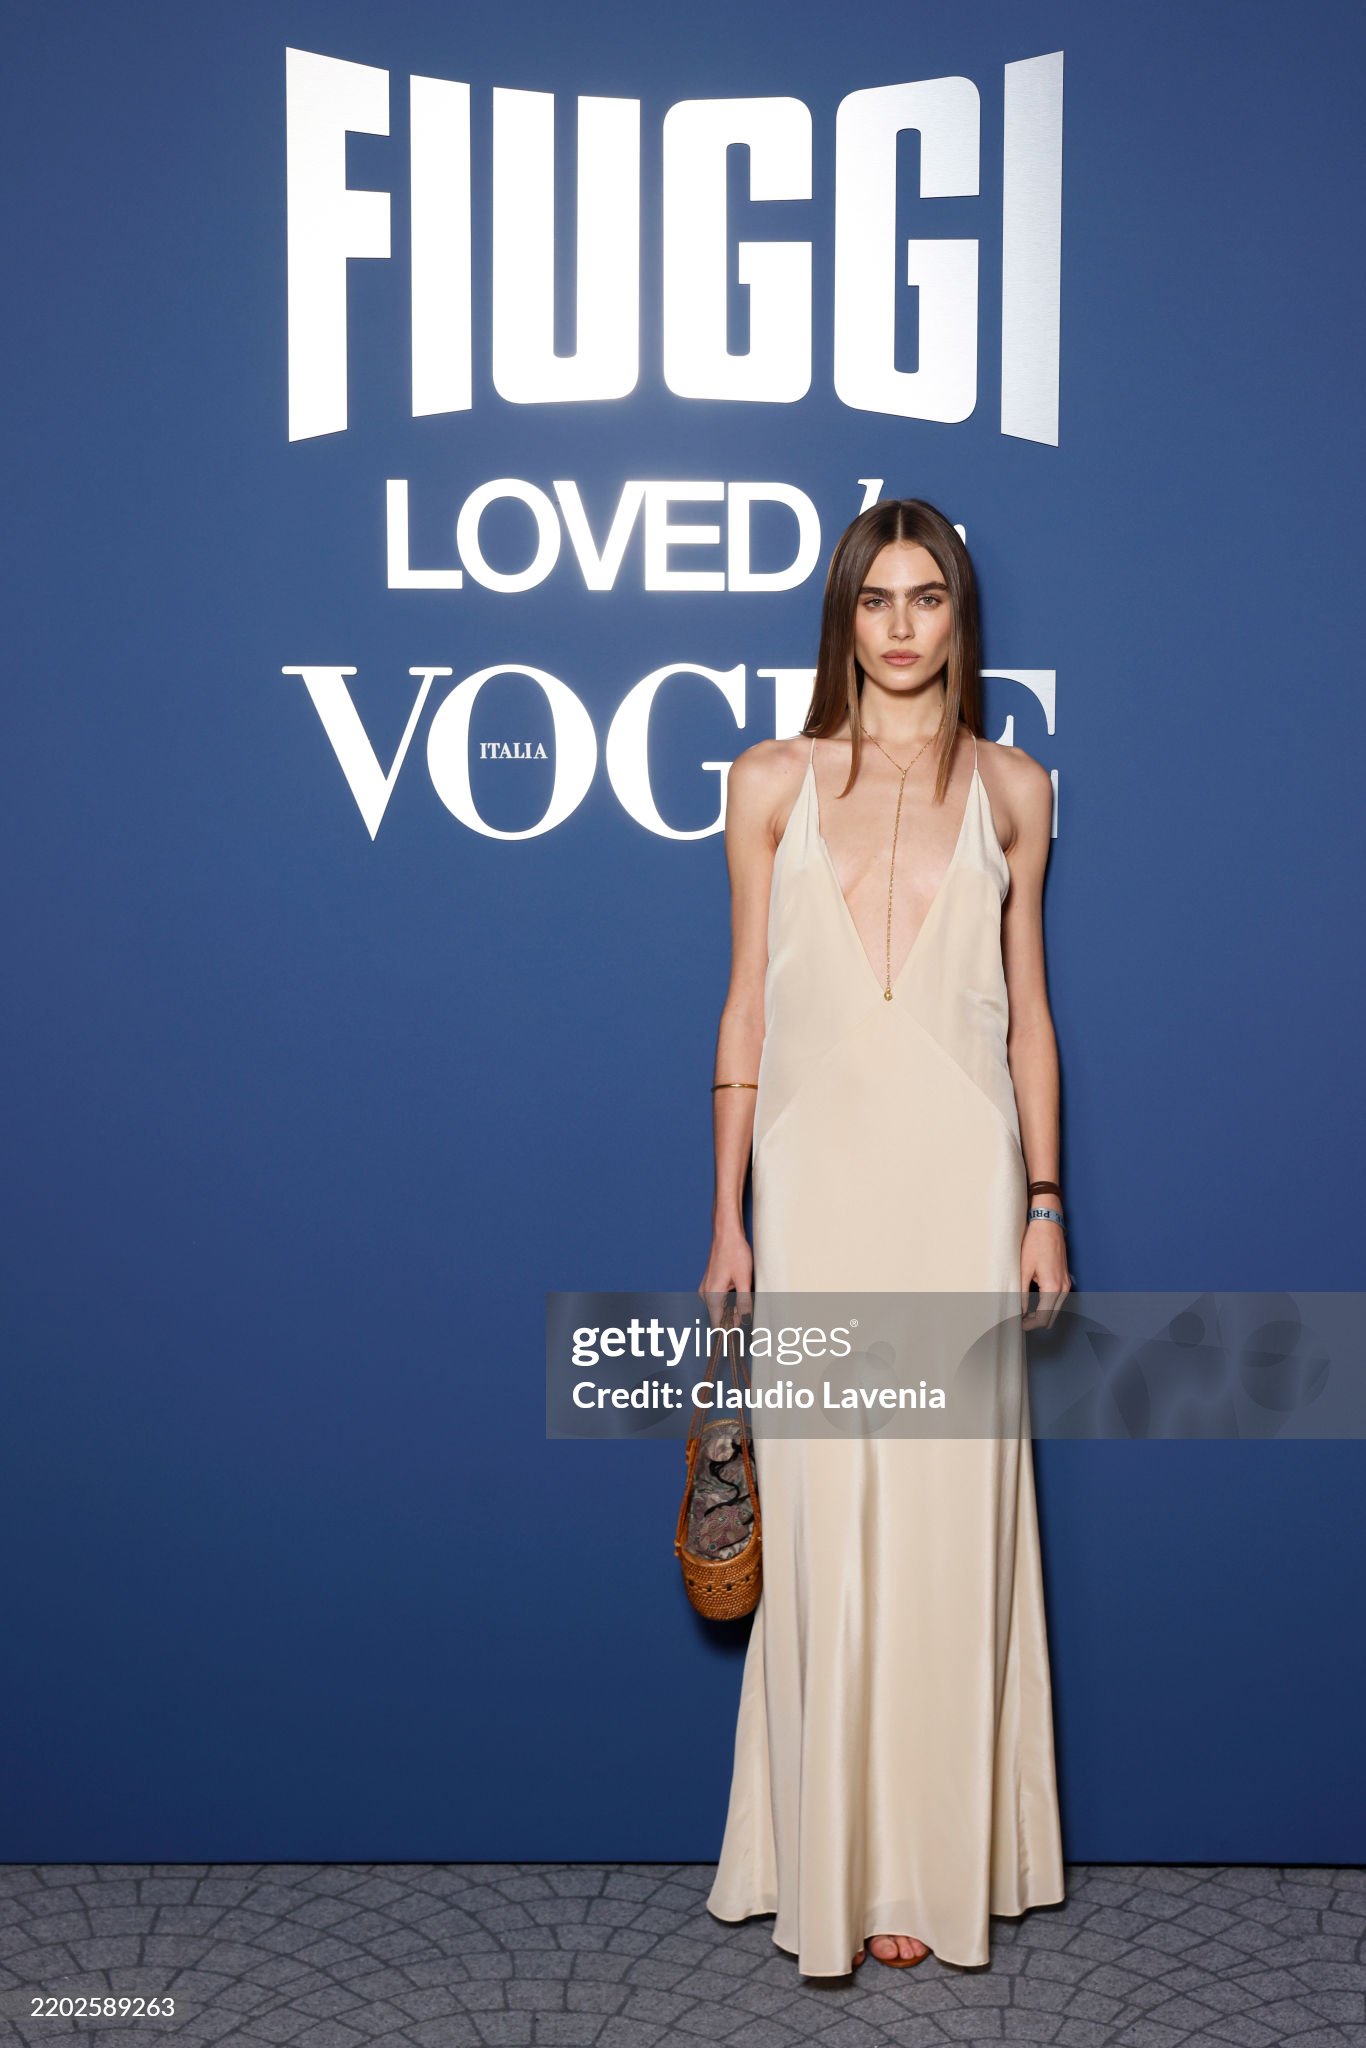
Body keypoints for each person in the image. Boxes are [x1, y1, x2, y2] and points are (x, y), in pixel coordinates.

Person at [699, 497, 1069, 1976]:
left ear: (958, 615)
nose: (901, 626)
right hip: (815, 1175)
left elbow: (1028, 1014)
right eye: (875, 599)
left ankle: (924, 1860)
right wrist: (725, 1218)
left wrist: (1045, 1203)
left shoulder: (1015, 787)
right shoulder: (769, 781)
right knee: (826, 1506)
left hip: (962, 1176)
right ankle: (823, 1856)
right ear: (842, 618)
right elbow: (746, 1008)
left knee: (943, 1509)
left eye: (926, 597)